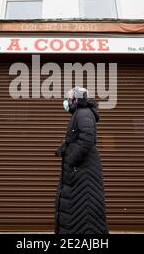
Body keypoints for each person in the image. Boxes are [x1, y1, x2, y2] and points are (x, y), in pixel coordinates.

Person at [54, 86, 109, 234]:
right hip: (80, 170)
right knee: (77, 211)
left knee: (84, 210)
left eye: (68, 97)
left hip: (82, 171)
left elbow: (87, 139)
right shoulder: (79, 114)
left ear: (77, 98)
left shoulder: (83, 113)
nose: (66, 100)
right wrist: (64, 148)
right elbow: (78, 138)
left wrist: (71, 159)